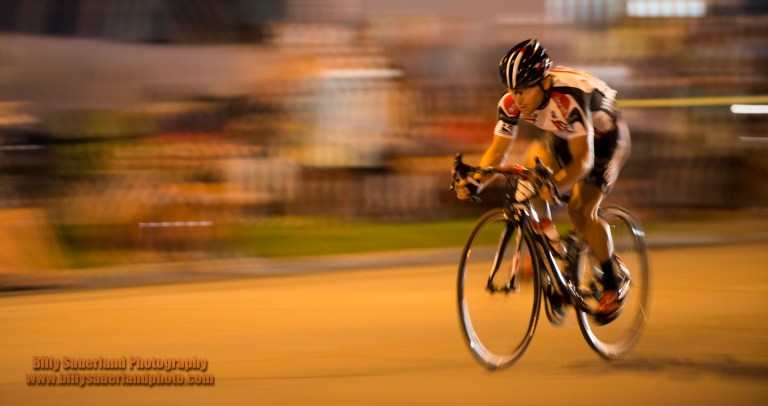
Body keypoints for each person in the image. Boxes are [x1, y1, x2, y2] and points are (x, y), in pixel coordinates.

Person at [454, 38, 631, 324]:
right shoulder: (511, 103)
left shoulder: (567, 97)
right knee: (529, 172)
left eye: (524, 91)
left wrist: (556, 184)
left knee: (579, 210)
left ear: (544, 84)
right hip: (564, 135)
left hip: (604, 141)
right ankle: (555, 258)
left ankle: (612, 284)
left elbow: (583, 160)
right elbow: (498, 150)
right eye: (512, 90)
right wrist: (476, 182)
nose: (517, 98)